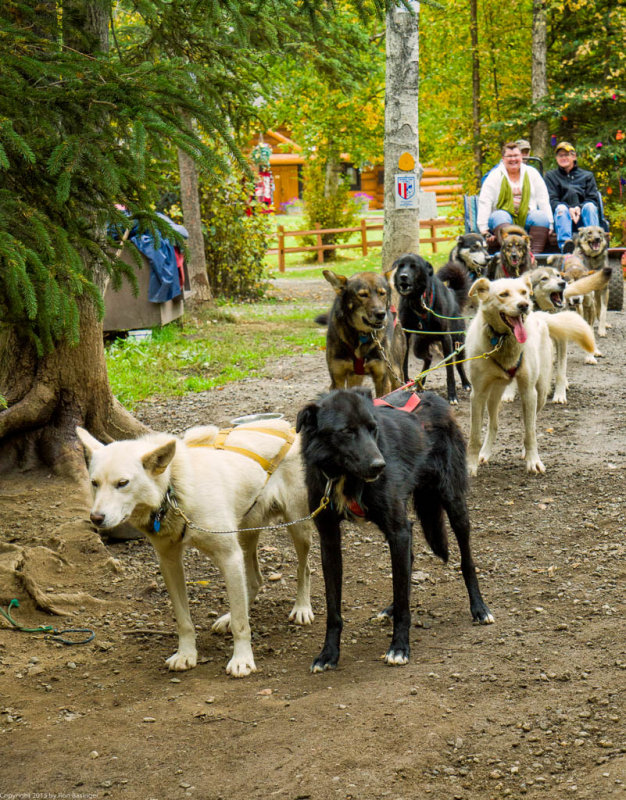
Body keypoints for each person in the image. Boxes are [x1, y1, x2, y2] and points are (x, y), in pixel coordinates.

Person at [477, 141, 553, 253]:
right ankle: (509, 253)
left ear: (521, 157)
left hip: (527, 218)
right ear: (503, 158)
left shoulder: (532, 173)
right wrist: (484, 230)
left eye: (516, 156)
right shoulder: (494, 176)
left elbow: (543, 199)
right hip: (502, 219)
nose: (513, 159)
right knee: (500, 215)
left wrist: (550, 223)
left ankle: (533, 257)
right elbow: (485, 202)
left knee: (540, 217)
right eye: (509, 156)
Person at [544, 141, 601, 254]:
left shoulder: (587, 176)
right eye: (560, 155)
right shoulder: (551, 176)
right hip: (562, 218)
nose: (563, 157)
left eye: (567, 155)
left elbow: (593, 198)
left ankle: (594, 244)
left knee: (590, 206)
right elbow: (552, 200)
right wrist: (569, 209)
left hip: (583, 217)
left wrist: (579, 208)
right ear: (556, 158)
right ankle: (566, 247)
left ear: (574, 156)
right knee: (561, 208)